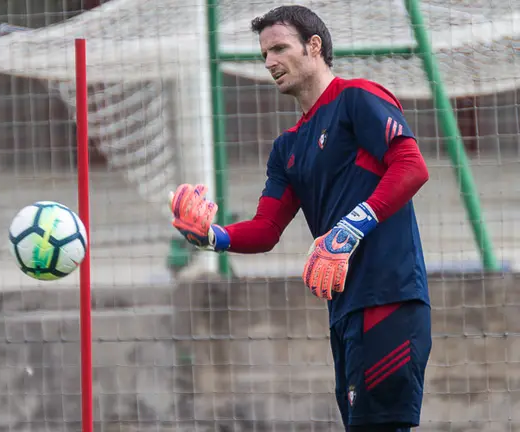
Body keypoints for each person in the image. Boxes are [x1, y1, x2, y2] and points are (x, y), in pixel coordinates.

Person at [170, 5, 431, 431]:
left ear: (314, 46)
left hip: (390, 298)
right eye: (264, 54)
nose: (270, 62)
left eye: (279, 48)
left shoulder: (357, 98)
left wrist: (350, 227)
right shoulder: (287, 146)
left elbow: (412, 165)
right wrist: (211, 237)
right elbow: (266, 229)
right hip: (345, 308)